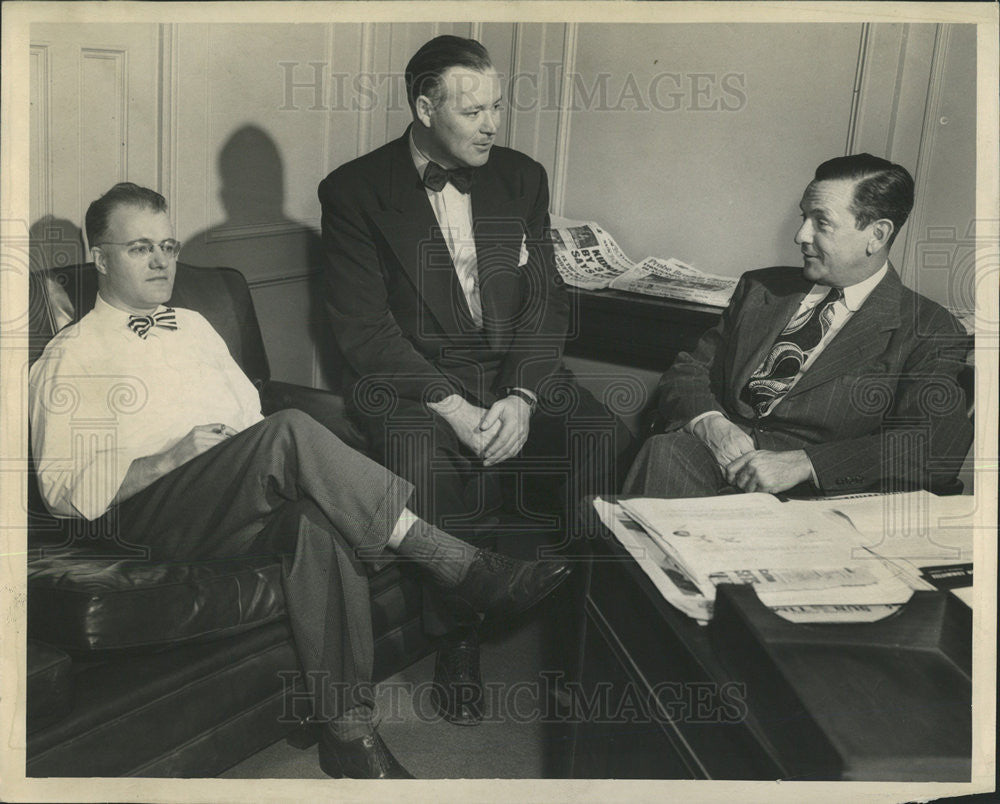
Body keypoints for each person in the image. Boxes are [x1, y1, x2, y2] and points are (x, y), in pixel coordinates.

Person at [28, 182, 572, 779]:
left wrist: (245, 458)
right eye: (139, 248)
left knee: (313, 525)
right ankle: (459, 564)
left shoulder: (193, 324)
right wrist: (170, 457)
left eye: (168, 244)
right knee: (288, 431)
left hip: (231, 497)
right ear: (100, 258)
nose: (162, 261)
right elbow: (62, 491)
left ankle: (350, 733)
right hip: (148, 518)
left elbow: (249, 419)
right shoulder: (69, 355)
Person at [318, 34, 633, 724]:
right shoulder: (353, 191)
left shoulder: (522, 176)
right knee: (421, 456)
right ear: (425, 106)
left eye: (497, 107)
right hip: (412, 380)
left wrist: (522, 395)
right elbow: (365, 333)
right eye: (472, 112)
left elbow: (546, 302)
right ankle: (458, 640)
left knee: (600, 433)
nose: (491, 125)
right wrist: (453, 407)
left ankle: (580, 636)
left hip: (511, 370)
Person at [624, 153, 973, 498]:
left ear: (877, 235)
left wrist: (806, 463)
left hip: (806, 497)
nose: (800, 235)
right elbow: (690, 371)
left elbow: (933, 446)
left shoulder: (927, 328)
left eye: (821, 223)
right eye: (804, 217)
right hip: (709, 459)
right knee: (664, 453)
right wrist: (709, 422)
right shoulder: (762, 288)